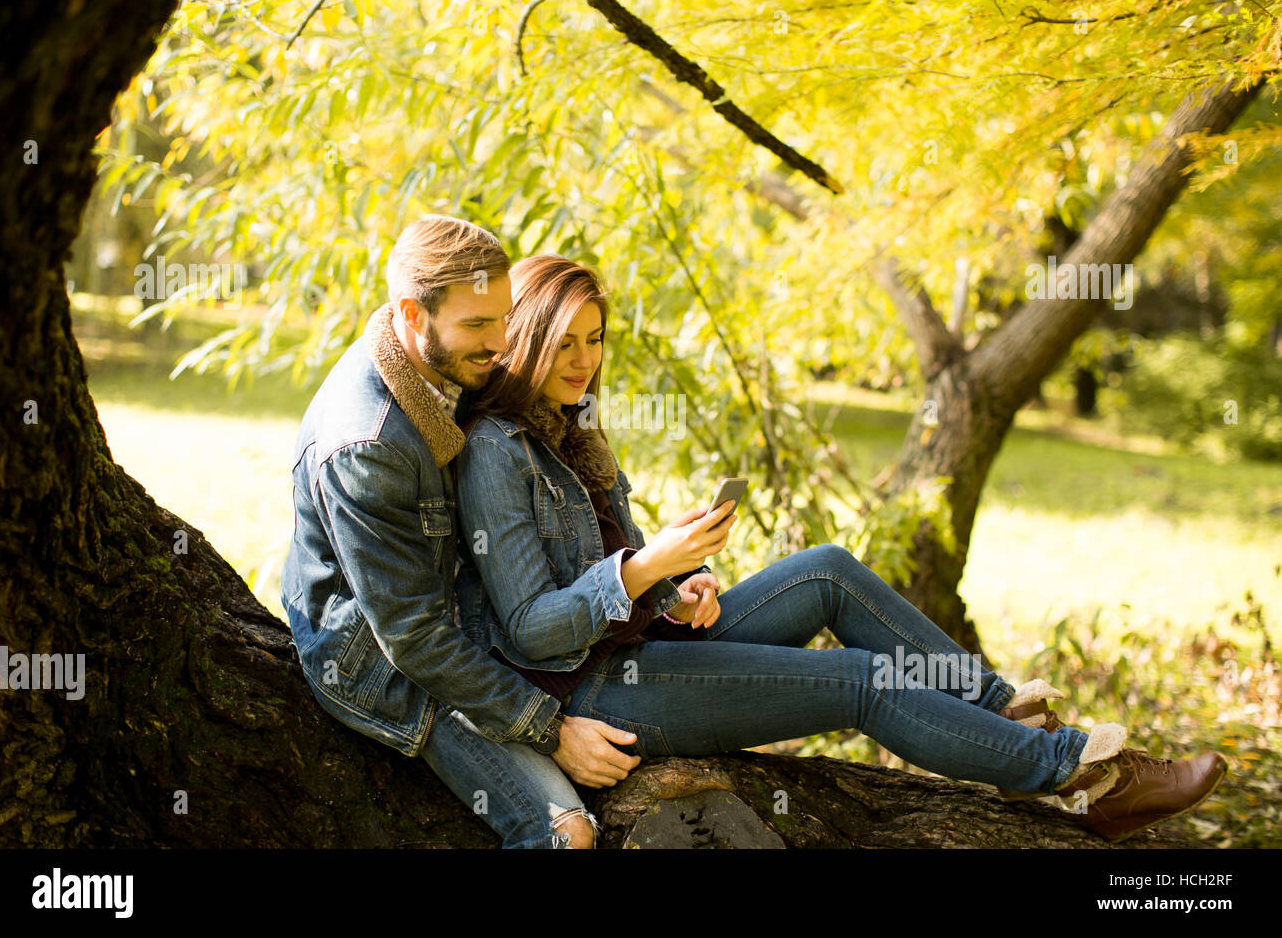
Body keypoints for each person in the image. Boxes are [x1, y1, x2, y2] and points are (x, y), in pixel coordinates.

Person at [455, 253, 1229, 845]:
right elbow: (530, 627)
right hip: (596, 690)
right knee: (860, 680)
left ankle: (1008, 712)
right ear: (523, 337)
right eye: (564, 343)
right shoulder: (497, 449)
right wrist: (647, 568)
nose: (584, 360)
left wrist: (675, 589)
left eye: (594, 340)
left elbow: (612, 577)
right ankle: (1076, 775)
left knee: (827, 570)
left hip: (646, 642)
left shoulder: (577, 429)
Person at [280, 217, 634, 849]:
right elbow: (414, 640)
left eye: (503, 318)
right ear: (413, 315)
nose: (501, 342)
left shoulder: (436, 367)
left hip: (458, 624)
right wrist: (549, 727)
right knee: (566, 835)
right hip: (386, 663)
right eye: (478, 325)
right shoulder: (368, 445)